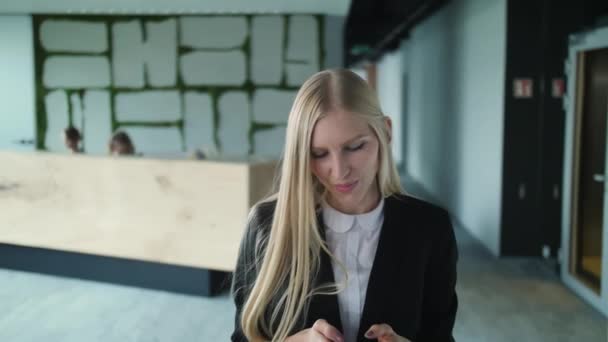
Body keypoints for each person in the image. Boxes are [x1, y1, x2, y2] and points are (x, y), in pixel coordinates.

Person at [231, 69, 458, 342]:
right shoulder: (266, 225)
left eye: (354, 147)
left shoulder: (430, 229)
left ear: (385, 133)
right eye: (319, 154)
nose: (338, 172)